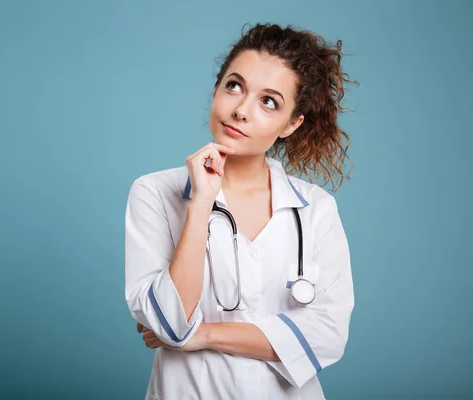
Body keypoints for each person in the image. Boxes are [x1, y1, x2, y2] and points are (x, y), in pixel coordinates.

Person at [124, 22, 357, 400]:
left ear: (291, 124)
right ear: (216, 89)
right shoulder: (154, 193)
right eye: (234, 86)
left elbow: (327, 336)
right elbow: (169, 323)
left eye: (269, 101)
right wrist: (201, 201)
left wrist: (201, 335)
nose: (241, 111)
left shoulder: (315, 209)